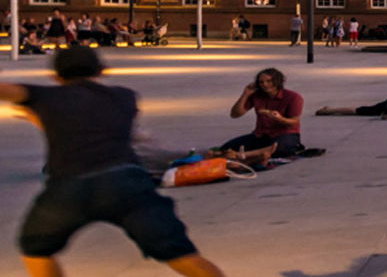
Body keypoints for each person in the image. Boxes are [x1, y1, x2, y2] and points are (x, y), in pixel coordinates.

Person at [1, 47, 227, 277]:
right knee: (182, 256)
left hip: (69, 188)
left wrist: (36, 111)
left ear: (55, 76)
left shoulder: (46, 96)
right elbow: (98, 129)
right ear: (102, 71)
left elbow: (13, 94)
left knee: (35, 248)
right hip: (127, 184)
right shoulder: (125, 97)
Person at [218, 68, 309, 160]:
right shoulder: (257, 95)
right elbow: (235, 114)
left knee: (282, 148)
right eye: (261, 82)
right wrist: (245, 94)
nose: (265, 85)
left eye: (269, 81)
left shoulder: (293, 97)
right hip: (261, 135)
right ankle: (258, 153)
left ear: (278, 81)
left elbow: (294, 121)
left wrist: (279, 118)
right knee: (226, 148)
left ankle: (244, 155)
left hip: (285, 134)